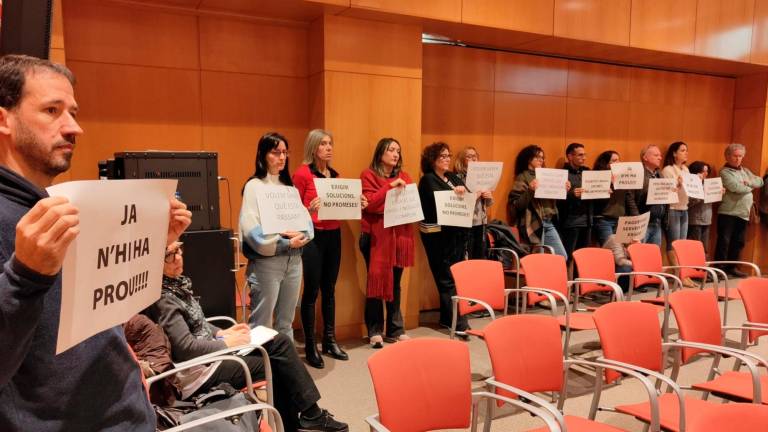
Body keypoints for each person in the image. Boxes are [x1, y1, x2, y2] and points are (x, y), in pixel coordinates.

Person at [0, 54, 192, 430]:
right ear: (4, 119)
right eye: (52, 110)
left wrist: (156, 245)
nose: (73, 127)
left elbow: (103, 308)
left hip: (131, 414)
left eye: (72, 111)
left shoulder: (58, 203)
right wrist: (25, 276)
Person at [150, 242, 348, 432]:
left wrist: (221, 332)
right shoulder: (164, 298)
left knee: (279, 341)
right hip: (199, 372)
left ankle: (308, 415)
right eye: (170, 255)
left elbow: (198, 322)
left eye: (179, 250)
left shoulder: (176, 285)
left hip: (211, 355)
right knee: (273, 364)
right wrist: (227, 344)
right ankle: (304, 418)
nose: (178, 257)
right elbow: (185, 348)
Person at [293, 129, 366, 368]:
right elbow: (292, 210)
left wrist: (358, 201)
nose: (328, 147)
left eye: (330, 143)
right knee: (312, 290)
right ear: (314, 148)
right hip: (312, 237)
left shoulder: (335, 176)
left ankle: (330, 340)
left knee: (330, 289)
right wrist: (309, 209)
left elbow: (343, 205)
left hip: (333, 235)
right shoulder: (302, 174)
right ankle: (311, 345)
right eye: (323, 144)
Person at [240, 132, 314, 340]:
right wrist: (284, 243)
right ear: (263, 155)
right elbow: (251, 230)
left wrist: (302, 235)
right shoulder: (254, 186)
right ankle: (261, 371)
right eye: (275, 152)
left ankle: (285, 371)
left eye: (285, 152)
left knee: (286, 323)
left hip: (294, 261)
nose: (282, 157)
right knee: (262, 325)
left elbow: (307, 224)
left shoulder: (289, 188)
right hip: (268, 263)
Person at [360, 137, 414, 348]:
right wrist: (390, 187)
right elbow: (370, 205)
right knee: (376, 281)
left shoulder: (406, 177)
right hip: (373, 238)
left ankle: (396, 328)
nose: (395, 154)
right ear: (380, 153)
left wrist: (383, 203)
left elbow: (408, 206)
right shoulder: (368, 175)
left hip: (399, 238)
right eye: (391, 150)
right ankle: (374, 330)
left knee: (396, 284)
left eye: (398, 151)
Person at [418, 142, 471, 335]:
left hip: (456, 235)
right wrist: (455, 194)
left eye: (449, 155)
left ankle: (447, 318)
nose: (447, 159)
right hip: (437, 237)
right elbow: (438, 202)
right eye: (443, 156)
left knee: (454, 277)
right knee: (446, 279)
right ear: (432, 160)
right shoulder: (428, 180)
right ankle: (458, 322)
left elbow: (467, 196)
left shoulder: (452, 176)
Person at [507, 145, 569, 259]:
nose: (541, 160)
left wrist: (563, 189)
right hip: (533, 223)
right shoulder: (522, 177)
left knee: (561, 256)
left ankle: (548, 276)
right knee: (538, 259)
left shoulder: (547, 175)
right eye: (537, 157)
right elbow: (516, 205)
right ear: (528, 159)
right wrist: (530, 190)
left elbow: (552, 200)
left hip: (548, 222)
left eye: (542, 157)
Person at [715, 143, 764, 278]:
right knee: (724, 241)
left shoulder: (745, 171)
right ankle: (720, 269)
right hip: (728, 212)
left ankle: (732, 267)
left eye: (740, 156)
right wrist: (749, 185)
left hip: (743, 213)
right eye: (735, 156)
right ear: (728, 156)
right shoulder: (724, 172)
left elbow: (760, 181)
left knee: (739, 241)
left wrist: (748, 183)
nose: (738, 159)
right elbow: (736, 187)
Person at [453, 146, 494, 259]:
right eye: (469, 156)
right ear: (462, 160)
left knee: (479, 255)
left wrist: (488, 196)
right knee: (467, 256)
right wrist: (475, 196)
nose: (473, 159)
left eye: (475, 156)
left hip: (481, 222)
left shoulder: (482, 177)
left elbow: (489, 203)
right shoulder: (457, 178)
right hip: (466, 223)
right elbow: (459, 202)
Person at [592, 150, 638, 246]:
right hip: (603, 220)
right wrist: (609, 184)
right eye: (614, 160)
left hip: (620, 221)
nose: (618, 163)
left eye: (619, 160)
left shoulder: (623, 178)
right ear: (606, 164)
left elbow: (629, 199)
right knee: (612, 250)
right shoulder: (597, 177)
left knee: (621, 252)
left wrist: (636, 218)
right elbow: (595, 201)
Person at [557, 143, 591, 262]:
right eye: (580, 155)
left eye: (585, 155)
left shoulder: (587, 172)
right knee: (567, 258)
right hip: (570, 222)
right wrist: (571, 195)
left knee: (583, 259)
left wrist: (603, 191)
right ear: (570, 156)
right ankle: (565, 280)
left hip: (587, 221)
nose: (584, 158)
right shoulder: (562, 174)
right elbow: (556, 199)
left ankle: (579, 281)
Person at [661, 141, 690, 261]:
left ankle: (683, 275)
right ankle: (678, 274)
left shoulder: (686, 169)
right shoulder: (668, 170)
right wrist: (677, 184)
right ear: (674, 153)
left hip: (684, 208)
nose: (686, 153)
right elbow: (668, 192)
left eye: (686, 150)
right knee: (673, 243)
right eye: (682, 150)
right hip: (673, 209)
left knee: (682, 244)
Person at [634, 145, 667, 247]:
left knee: (654, 257)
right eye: (656, 155)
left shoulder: (659, 174)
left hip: (657, 222)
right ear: (645, 157)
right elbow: (632, 198)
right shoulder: (638, 173)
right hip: (642, 223)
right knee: (639, 255)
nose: (660, 158)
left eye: (660, 155)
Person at [686, 161, 714, 254]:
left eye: (707, 171)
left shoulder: (708, 184)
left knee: (704, 249)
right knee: (694, 249)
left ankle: (703, 268)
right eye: (702, 171)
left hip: (707, 219)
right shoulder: (690, 184)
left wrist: (717, 193)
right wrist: (700, 194)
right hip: (695, 220)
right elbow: (688, 202)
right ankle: (693, 268)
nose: (705, 174)